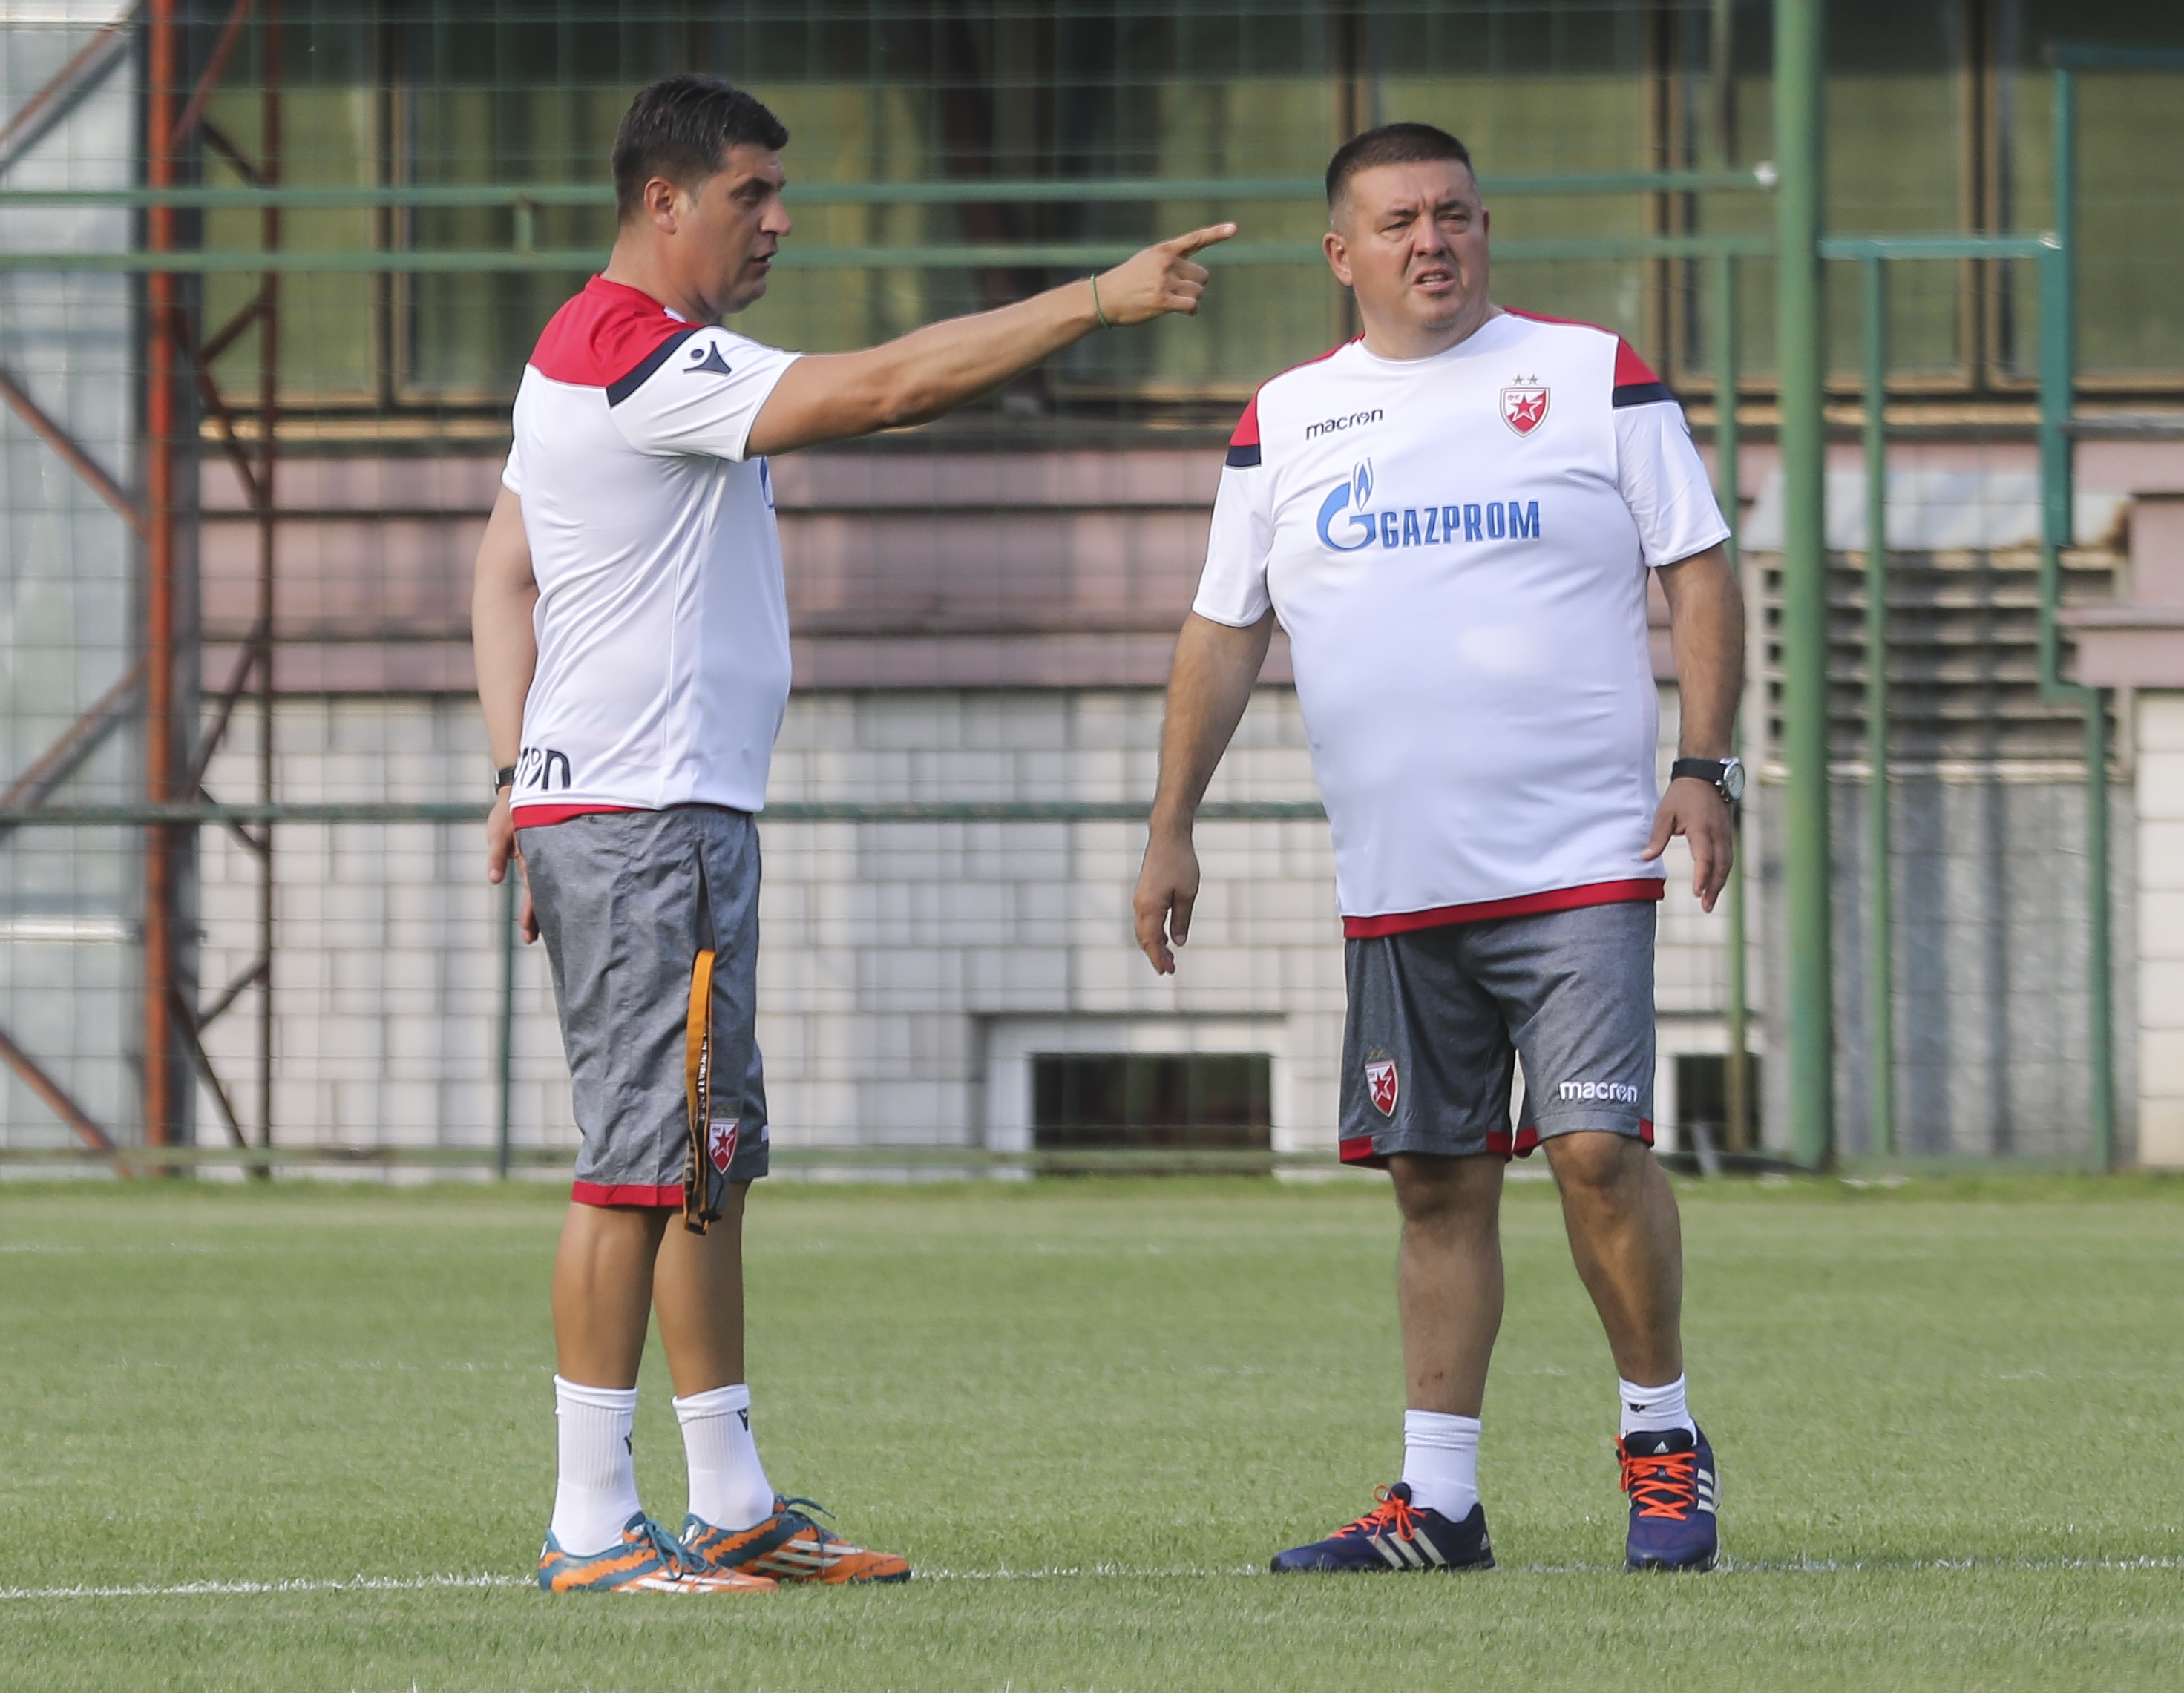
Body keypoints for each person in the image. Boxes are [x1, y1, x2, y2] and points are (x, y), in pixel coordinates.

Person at [473, 73, 1233, 1596]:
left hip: (641, 810)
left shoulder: (586, 348)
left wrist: (517, 767)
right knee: (638, 1163)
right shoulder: (643, 357)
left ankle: (734, 1494)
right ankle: (586, 1525)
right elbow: (888, 389)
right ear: (664, 199)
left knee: (703, 1159)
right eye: (753, 191)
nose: (782, 218)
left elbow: (503, 570)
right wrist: (1095, 297)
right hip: (643, 823)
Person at [1131, 122, 1743, 1574]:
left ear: (1487, 229)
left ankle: (1661, 1441)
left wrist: (1704, 765)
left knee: (1595, 1147)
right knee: (1434, 1179)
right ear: (1341, 255)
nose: (1433, 241)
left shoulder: (1594, 375)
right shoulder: (1284, 420)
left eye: (1456, 214)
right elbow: (1225, 631)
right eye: (1399, 221)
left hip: (1583, 859)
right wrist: (1172, 824)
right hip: (1400, 884)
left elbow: (1699, 571)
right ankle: (1440, 1505)